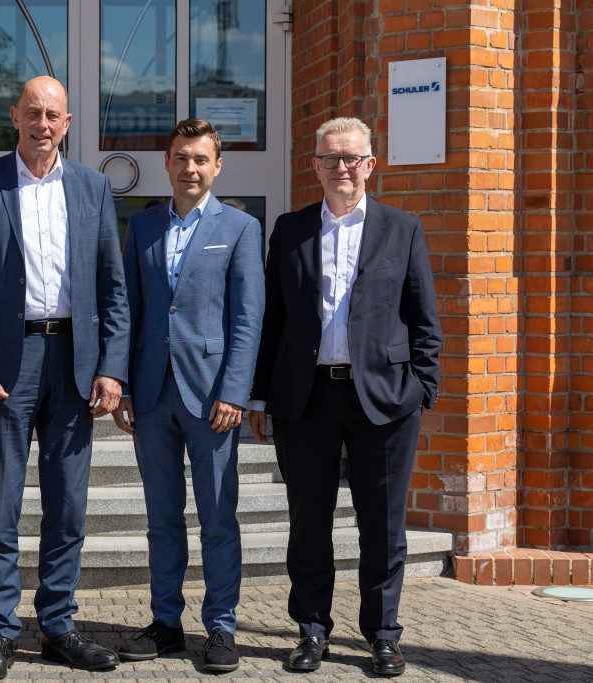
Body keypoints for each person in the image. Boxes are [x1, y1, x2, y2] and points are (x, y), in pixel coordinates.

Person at [0, 76, 129, 680]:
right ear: (14, 117)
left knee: (68, 506)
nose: (42, 124)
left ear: (68, 122)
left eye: (52, 115)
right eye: (32, 113)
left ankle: (58, 624)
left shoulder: (92, 187)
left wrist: (110, 367)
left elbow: (112, 290)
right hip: (5, 364)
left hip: (73, 364)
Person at [248, 117, 441, 676]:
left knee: (382, 525)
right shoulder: (290, 230)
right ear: (315, 165)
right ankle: (311, 630)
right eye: (330, 159)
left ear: (370, 164)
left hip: (383, 400)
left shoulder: (402, 228)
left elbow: (424, 319)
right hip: (305, 400)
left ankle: (382, 633)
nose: (342, 169)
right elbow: (273, 321)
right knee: (309, 521)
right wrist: (261, 396)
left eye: (352, 158)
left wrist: (422, 388)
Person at [112, 119, 264, 673]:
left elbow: (249, 320)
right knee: (162, 517)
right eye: (181, 158)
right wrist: (124, 383)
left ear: (217, 165)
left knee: (219, 517)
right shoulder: (144, 224)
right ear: (168, 163)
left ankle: (221, 627)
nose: (191, 168)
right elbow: (128, 309)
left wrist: (236, 391)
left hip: (213, 399)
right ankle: (166, 622)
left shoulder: (241, 228)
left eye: (201, 159)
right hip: (152, 395)